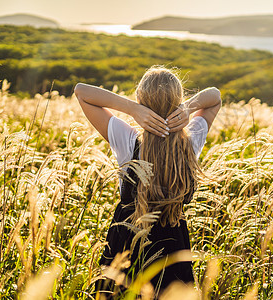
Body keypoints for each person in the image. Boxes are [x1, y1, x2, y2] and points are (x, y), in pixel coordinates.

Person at [74, 66, 221, 298]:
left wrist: (132, 109)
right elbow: (215, 97)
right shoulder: (192, 139)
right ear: (179, 100)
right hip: (174, 246)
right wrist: (188, 108)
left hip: (126, 243)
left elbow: (81, 91)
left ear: (141, 100)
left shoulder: (128, 138)